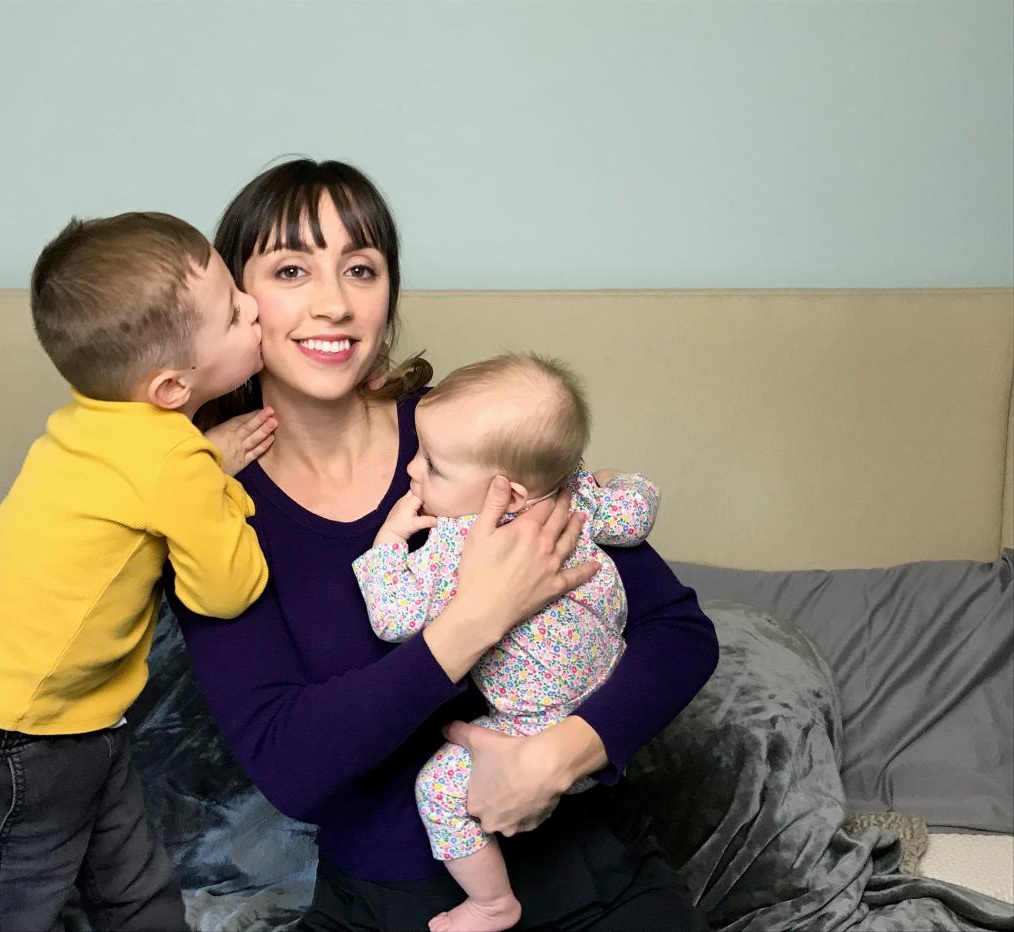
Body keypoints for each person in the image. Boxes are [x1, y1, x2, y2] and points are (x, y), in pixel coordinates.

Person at [175, 159, 717, 931]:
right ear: (238, 302)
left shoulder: (462, 431)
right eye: (292, 268)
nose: (333, 303)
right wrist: (473, 623)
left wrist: (556, 758)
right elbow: (290, 765)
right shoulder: (207, 503)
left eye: (360, 268)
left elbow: (678, 633)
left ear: (388, 294)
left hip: (593, 880)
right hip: (384, 909)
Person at [0, 212, 276, 931]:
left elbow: (137, 489)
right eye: (236, 314)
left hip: (16, 716)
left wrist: (203, 462)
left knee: (130, 874)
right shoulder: (174, 463)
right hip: (20, 744)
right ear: (171, 388)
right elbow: (229, 591)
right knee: (18, 903)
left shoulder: (88, 420)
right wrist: (218, 486)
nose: (257, 307)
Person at [353, 352, 661, 931]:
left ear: (511, 494)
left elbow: (393, 619)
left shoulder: (454, 545)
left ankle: (492, 903)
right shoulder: (572, 499)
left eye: (433, 467)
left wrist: (388, 544)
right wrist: (622, 481)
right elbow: (636, 515)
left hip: (533, 723)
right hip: (611, 691)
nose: (412, 472)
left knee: (438, 791)